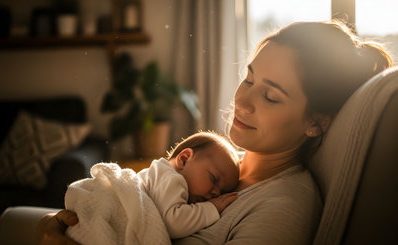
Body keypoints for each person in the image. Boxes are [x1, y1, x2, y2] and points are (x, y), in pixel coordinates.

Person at [35, 19, 393, 245]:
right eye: (248, 79)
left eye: (270, 95)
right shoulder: (223, 161)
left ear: (315, 122)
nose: (243, 100)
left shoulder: (283, 208)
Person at [64, 131, 240, 243]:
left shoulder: (162, 175)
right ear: (184, 159)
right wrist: (212, 208)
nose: (216, 192)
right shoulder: (172, 179)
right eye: (214, 178)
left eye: (223, 191)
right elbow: (173, 222)